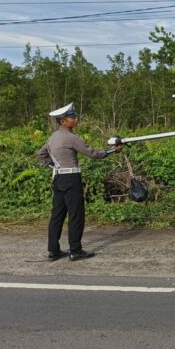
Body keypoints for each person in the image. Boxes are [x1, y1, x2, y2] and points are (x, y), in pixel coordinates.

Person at [35, 103, 122, 261]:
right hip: (72, 179)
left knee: (57, 215)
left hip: (58, 178)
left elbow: (41, 155)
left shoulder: (53, 137)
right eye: (72, 117)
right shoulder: (71, 138)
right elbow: (93, 154)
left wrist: (55, 166)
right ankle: (75, 251)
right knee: (76, 215)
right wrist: (112, 151)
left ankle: (53, 251)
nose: (76, 119)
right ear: (63, 121)